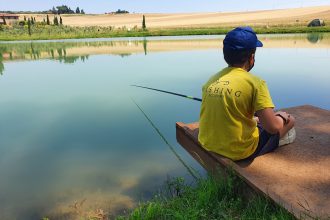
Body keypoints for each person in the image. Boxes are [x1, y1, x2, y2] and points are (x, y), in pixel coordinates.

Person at [198, 26, 295, 161]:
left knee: (256, 115)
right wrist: (282, 117)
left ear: (225, 55)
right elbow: (273, 127)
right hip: (240, 152)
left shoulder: (212, 79)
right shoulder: (256, 83)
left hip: (208, 143)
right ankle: (278, 140)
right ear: (251, 57)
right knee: (289, 121)